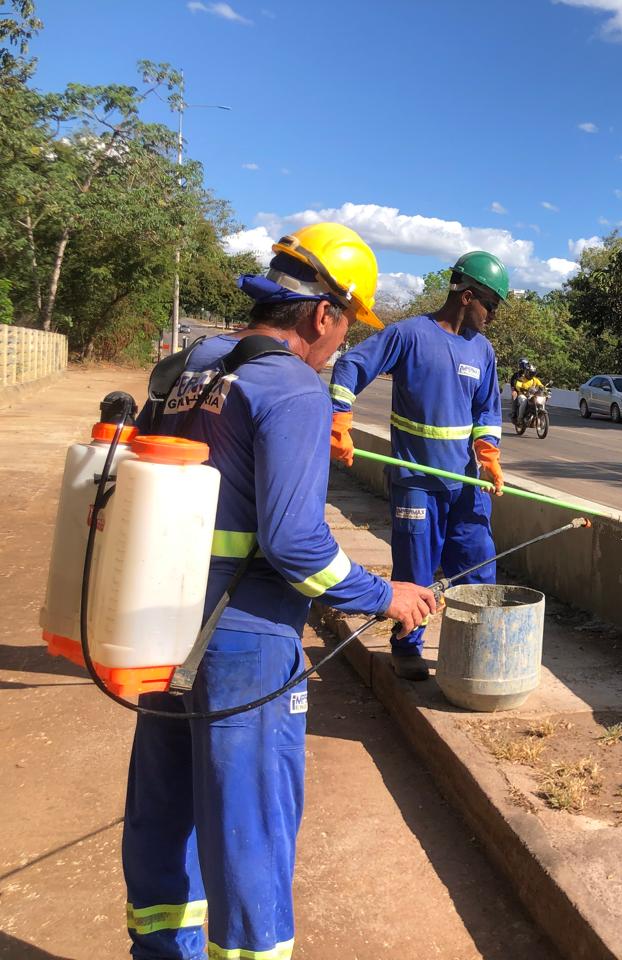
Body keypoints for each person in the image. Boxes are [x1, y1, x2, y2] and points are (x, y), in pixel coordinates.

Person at [122, 222, 440, 960]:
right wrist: (382, 593)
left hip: (154, 614)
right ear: (323, 315)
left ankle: (162, 950)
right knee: (250, 822)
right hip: (246, 631)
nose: (340, 345)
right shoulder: (293, 387)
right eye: (345, 327)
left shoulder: (192, 366)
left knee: (165, 799)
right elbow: (296, 545)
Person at [329, 250, 508, 681]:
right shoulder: (409, 335)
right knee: (417, 570)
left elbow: (488, 410)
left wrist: (488, 455)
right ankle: (407, 645)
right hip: (415, 481)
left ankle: (477, 651)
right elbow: (352, 365)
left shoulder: (482, 350)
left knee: (478, 566)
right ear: (467, 296)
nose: (493, 316)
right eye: (492, 305)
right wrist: (339, 419)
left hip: (463, 483)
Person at [513, 362, 545, 428]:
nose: (531, 375)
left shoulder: (535, 379)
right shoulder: (521, 378)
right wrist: (522, 389)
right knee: (524, 402)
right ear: (527, 372)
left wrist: (543, 388)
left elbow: (541, 385)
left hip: (532, 396)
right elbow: (517, 386)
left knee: (542, 401)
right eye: (530, 373)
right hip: (522, 395)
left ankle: (540, 418)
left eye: (533, 373)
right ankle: (520, 419)